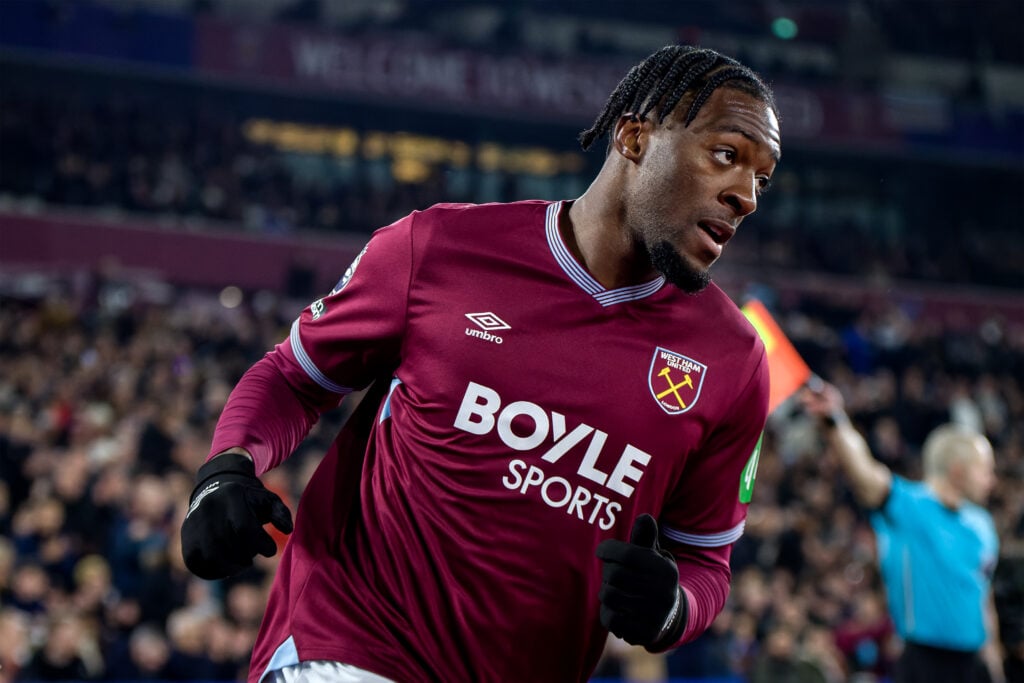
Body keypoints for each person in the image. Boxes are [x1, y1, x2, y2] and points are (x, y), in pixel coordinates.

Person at [180, 44, 780, 683]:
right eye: (726, 155)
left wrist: (670, 610)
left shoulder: (734, 362)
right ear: (633, 138)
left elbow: (705, 562)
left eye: (762, 179)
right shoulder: (439, 248)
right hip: (349, 646)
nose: (745, 195)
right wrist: (228, 466)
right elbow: (294, 378)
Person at [801, 379, 1005, 683]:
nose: (992, 480)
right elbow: (865, 472)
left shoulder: (983, 523)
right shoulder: (910, 506)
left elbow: (982, 597)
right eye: (985, 469)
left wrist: (994, 663)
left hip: (974, 663)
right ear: (958, 469)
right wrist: (835, 420)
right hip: (924, 661)